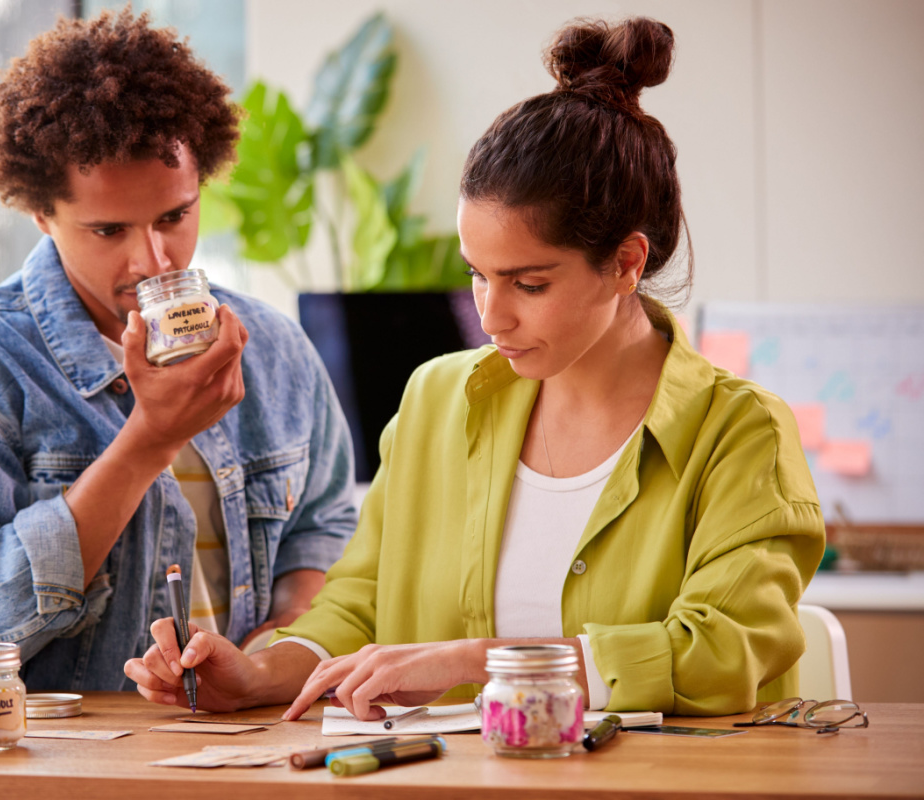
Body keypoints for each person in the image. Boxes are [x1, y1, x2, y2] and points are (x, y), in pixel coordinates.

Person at [125, 16, 826, 719]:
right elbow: (360, 603)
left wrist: (478, 660)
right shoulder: (439, 398)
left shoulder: (741, 433)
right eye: (478, 276)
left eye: (529, 284)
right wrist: (260, 673)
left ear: (626, 263)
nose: (491, 318)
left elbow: (721, 649)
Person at [0, 10, 357, 689]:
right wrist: (147, 442)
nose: (153, 260)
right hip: (53, 772)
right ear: (41, 214)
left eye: (175, 216)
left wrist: (267, 649)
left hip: (242, 754)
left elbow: (325, 536)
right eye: (109, 229)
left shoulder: (273, 348)